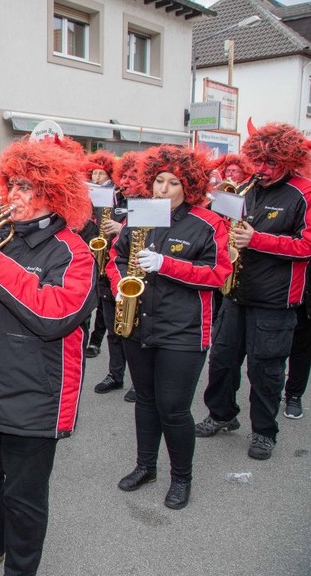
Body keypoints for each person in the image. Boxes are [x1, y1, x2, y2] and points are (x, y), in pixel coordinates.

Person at [0, 138, 96, 576]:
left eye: (27, 188)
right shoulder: (0, 240)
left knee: (24, 500)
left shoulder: (74, 252)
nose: (14, 196)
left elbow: (56, 315)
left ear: (54, 193)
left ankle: (21, 568)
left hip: (33, 398)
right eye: (13, 186)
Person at [109, 145, 231, 510]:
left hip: (183, 330)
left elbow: (218, 275)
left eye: (173, 182)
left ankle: (182, 478)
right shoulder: (139, 215)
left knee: (174, 408)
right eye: (159, 180)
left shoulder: (209, 223)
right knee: (145, 401)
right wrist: (118, 284)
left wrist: (166, 263)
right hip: (138, 324)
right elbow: (117, 256)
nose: (163, 188)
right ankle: (146, 466)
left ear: (188, 186)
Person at [197, 122, 311, 460]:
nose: (262, 169)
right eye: (258, 161)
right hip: (236, 293)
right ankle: (221, 414)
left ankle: (264, 432)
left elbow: (307, 245)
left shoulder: (304, 192)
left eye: (271, 163)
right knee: (222, 360)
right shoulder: (247, 187)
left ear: (289, 161)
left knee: (265, 369)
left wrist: (257, 240)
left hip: (275, 300)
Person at [92, 151, 150, 402]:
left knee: (138, 335)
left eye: (132, 177)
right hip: (110, 273)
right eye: (122, 176)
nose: (125, 182)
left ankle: (140, 382)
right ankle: (115, 374)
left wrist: (122, 228)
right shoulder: (114, 202)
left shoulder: (151, 206)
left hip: (137, 278)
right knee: (115, 329)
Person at [84, 150, 116, 358]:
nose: (96, 178)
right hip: (90, 244)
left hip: (109, 248)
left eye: (101, 175)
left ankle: (96, 340)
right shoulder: (88, 192)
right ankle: (87, 338)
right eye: (94, 174)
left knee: (104, 299)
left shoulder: (116, 195)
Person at [284, 266, 311, 419]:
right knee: (272, 347)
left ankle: (294, 395)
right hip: (278, 287)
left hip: (306, 292)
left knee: (302, 346)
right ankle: (270, 393)